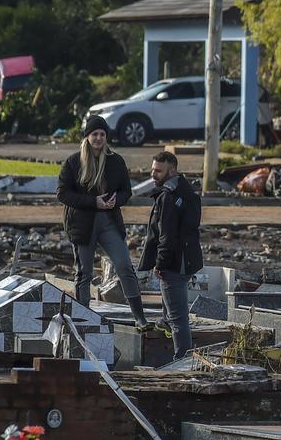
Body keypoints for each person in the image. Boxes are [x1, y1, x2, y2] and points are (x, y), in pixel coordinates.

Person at [56, 116, 150, 330]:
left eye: (102, 134)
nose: (98, 138)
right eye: (94, 134)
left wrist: (118, 199)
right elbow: (62, 193)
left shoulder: (116, 161)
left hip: (109, 222)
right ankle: (82, 317)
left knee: (125, 265)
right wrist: (92, 201)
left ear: (106, 137)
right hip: (82, 224)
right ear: (87, 137)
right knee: (84, 272)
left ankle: (139, 316)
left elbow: (127, 190)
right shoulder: (73, 162)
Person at [138, 151, 202, 358]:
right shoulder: (186, 190)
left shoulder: (168, 196)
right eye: (152, 169)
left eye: (158, 170)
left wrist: (160, 263)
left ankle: (182, 360)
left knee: (178, 318)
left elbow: (167, 235)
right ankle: (163, 323)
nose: (153, 174)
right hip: (188, 259)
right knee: (170, 313)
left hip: (174, 262)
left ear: (172, 170)